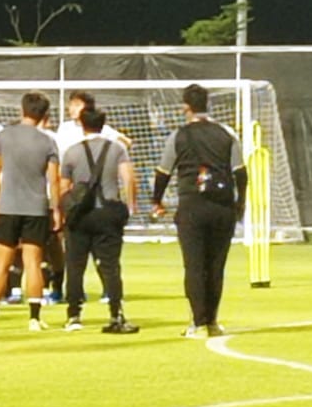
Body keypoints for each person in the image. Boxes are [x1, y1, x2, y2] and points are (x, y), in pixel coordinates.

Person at [152, 83, 246, 338]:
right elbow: (240, 172)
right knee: (216, 266)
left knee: (194, 265)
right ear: (208, 105)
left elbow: (163, 172)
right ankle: (213, 321)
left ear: (186, 107)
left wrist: (156, 201)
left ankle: (198, 322)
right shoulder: (226, 133)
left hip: (192, 204)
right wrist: (240, 205)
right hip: (222, 206)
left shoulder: (179, 135)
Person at [0, 92, 61, 332]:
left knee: (1, 264)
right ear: (44, 114)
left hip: (8, 206)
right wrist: (55, 208)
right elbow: (54, 180)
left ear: (21, 110)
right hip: (35, 208)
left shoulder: (4, 136)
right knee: (33, 263)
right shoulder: (47, 142)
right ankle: (34, 318)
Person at [59, 105, 139, 333]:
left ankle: (73, 315)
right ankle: (116, 314)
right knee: (111, 266)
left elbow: (63, 187)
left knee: (75, 265)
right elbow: (128, 179)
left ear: (82, 125)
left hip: (80, 215)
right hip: (108, 212)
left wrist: (63, 210)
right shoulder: (116, 149)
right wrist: (130, 206)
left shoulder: (72, 152)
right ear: (102, 124)